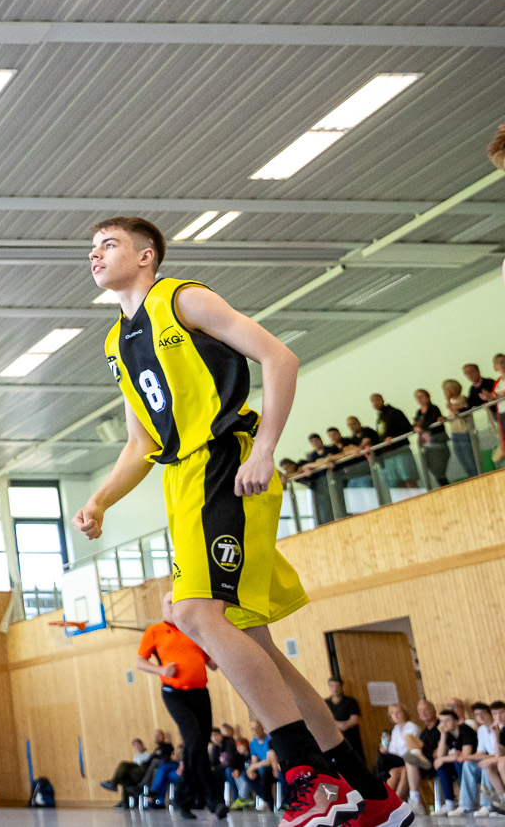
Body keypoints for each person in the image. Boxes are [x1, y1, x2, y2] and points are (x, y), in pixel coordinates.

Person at [76, 217, 410, 827]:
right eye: (91, 247)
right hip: (183, 479)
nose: (95, 254)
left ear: (146, 255)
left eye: (109, 244)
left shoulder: (182, 299)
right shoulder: (115, 342)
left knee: (195, 614)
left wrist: (265, 450)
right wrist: (100, 500)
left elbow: (280, 357)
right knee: (248, 641)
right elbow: (138, 441)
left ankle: (306, 776)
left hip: (226, 462)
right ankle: (367, 791)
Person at [136, 618, 225, 819]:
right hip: (174, 692)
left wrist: (221, 642)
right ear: (164, 608)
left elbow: (212, 664)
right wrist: (160, 670)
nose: (172, 606)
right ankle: (214, 799)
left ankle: (183, 799)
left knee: (199, 746)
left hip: (201, 693)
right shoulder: (155, 631)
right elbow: (139, 661)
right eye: (168, 603)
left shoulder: (194, 628)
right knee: (194, 740)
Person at [412, 391, 451, 486]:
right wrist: (417, 427)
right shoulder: (418, 412)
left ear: (428, 397)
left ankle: (446, 487)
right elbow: (415, 425)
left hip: (437, 443)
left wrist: (421, 426)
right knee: (434, 470)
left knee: (439, 470)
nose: (420, 399)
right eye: (417, 397)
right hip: (427, 446)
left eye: (422, 396)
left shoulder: (433, 408)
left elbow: (432, 421)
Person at [102, 739, 154, 808]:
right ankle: (125, 802)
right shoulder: (136, 756)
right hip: (134, 773)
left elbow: (145, 768)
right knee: (124, 778)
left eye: (137, 745)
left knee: (123, 765)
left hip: (142, 773)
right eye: (135, 746)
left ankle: (114, 783)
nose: (136, 747)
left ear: (142, 745)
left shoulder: (148, 755)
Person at [326, 679, 365, 760]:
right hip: (333, 740)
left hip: (352, 739)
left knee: (357, 761)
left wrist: (339, 725)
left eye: (337, 686)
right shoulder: (325, 703)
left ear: (341, 687)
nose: (335, 688)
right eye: (332, 686)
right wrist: (340, 725)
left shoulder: (351, 701)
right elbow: (324, 721)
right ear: (329, 687)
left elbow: (354, 720)